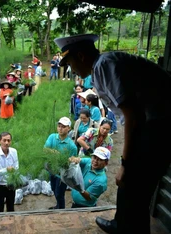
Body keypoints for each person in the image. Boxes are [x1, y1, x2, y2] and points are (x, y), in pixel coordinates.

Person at [54, 33, 171, 234]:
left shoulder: (103, 66)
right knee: (130, 186)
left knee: (135, 186)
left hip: (159, 125)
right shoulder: (102, 66)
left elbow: (133, 115)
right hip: (155, 122)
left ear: (81, 56)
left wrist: (125, 163)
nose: (71, 69)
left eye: (70, 63)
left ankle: (131, 228)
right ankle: (121, 224)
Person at [44, 117, 78, 209]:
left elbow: (71, 164)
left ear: (69, 128)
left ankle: (61, 209)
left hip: (63, 174)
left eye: (63, 126)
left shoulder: (72, 146)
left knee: (59, 193)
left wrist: (63, 160)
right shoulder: (52, 137)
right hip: (52, 169)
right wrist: (53, 152)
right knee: (53, 189)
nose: (60, 128)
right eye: (59, 126)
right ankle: (58, 205)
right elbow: (45, 149)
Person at [0, 132, 19, 212]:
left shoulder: (14, 152)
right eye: (4, 140)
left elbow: (16, 167)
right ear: (0, 141)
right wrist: (6, 170)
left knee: (11, 208)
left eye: (8, 141)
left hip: (10, 184)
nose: (6, 143)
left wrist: (13, 171)